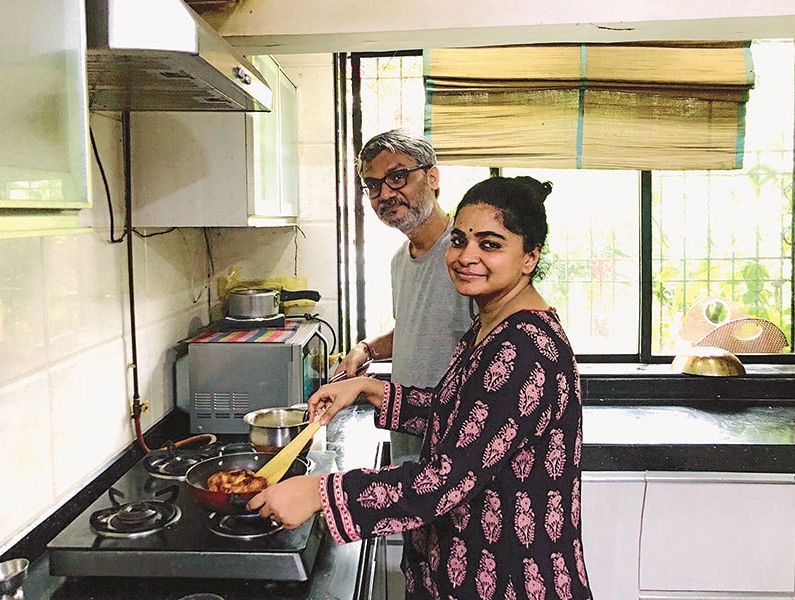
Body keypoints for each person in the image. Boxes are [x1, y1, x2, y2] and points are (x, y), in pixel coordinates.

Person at [248, 176, 593, 599]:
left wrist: (321, 493)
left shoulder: (522, 348)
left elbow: (447, 479)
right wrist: (367, 388)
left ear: (529, 257)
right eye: (459, 240)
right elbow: (463, 417)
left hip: (508, 579)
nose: (466, 257)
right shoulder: (491, 326)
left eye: (490, 244)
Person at [334, 128, 472, 464]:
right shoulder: (400, 260)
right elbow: (416, 333)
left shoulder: (469, 257)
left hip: (458, 449)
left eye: (397, 177)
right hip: (408, 441)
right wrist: (366, 349)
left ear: (432, 177)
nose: (385, 194)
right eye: (373, 185)